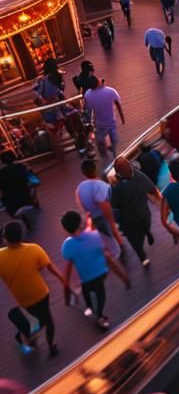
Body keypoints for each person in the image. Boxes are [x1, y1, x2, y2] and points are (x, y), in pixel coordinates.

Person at [0, 221, 65, 355]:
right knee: (47, 320)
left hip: (23, 300)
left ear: (5, 239)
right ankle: (51, 345)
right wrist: (65, 282)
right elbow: (50, 267)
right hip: (41, 294)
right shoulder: (34, 249)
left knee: (34, 318)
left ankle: (27, 335)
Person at [60, 209, 129, 331]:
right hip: (101, 274)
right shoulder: (95, 236)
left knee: (86, 291)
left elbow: (67, 273)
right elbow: (107, 257)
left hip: (85, 278)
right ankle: (100, 313)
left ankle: (90, 308)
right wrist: (124, 277)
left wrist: (66, 294)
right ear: (80, 223)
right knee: (100, 294)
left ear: (66, 229)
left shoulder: (67, 246)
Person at [110, 157, 161, 268]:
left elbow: (114, 205)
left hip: (129, 221)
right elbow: (153, 190)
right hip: (144, 215)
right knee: (145, 225)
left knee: (134, 242)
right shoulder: (139, 176)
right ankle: (147, 232)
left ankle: (143, 258)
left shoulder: (116, 186)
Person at [83, 80, 125, 158]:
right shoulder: (111, 91)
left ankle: (105, 154)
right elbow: (118, 104)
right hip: (110, 122)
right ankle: (113, 151)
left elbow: (88, 109)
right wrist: (122, 118)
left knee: (101, 139)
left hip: (99, 123)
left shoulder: (88, 94)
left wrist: (90, 121)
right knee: (114, 138)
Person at [0, 150, 38, 228]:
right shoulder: (22, 167)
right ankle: (35, 203)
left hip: (11, 205)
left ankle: (18, 218)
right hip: (27, 198)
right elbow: (35, 181)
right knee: (32, 187)